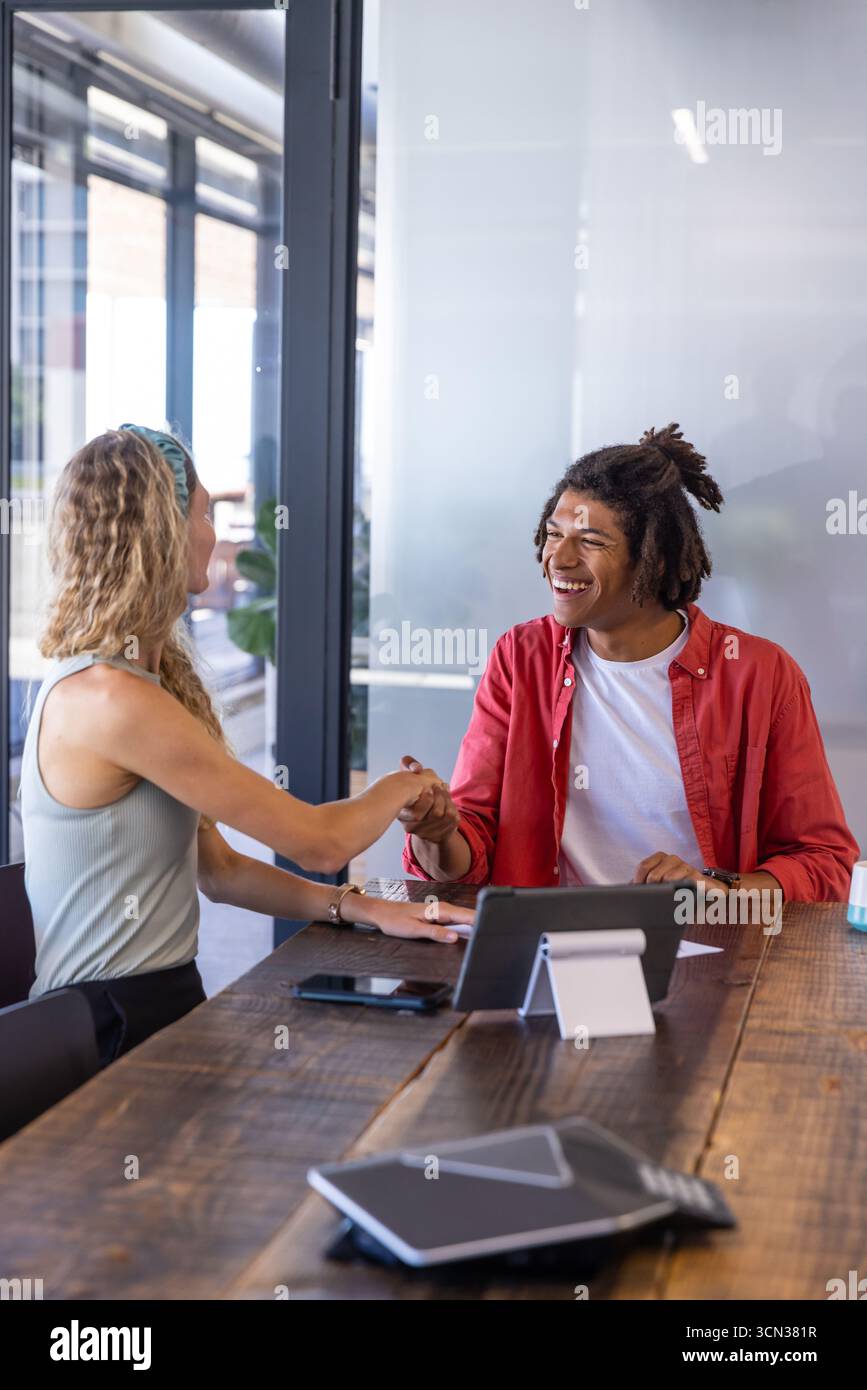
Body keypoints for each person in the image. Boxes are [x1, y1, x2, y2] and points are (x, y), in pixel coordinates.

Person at [21, 425, 471, 1065]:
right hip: (110, 1028)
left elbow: (220, 871)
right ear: (161, 532)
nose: (215, 535)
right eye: (205, 514)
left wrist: (363, 907)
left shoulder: (123, 686)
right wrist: (405, 785)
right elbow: (320, 841)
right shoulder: (113, 700)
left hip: (149, 1006)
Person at [401, 424, 859, 903]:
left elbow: (823, 864)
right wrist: (435, 831)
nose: (559, 557)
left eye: (592, 542)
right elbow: (467, 853)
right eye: (554, 534)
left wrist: (715, 890)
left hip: (706, 959)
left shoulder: (759, 675)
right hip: (546, 954)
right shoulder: (521, 657)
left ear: (654, 560)